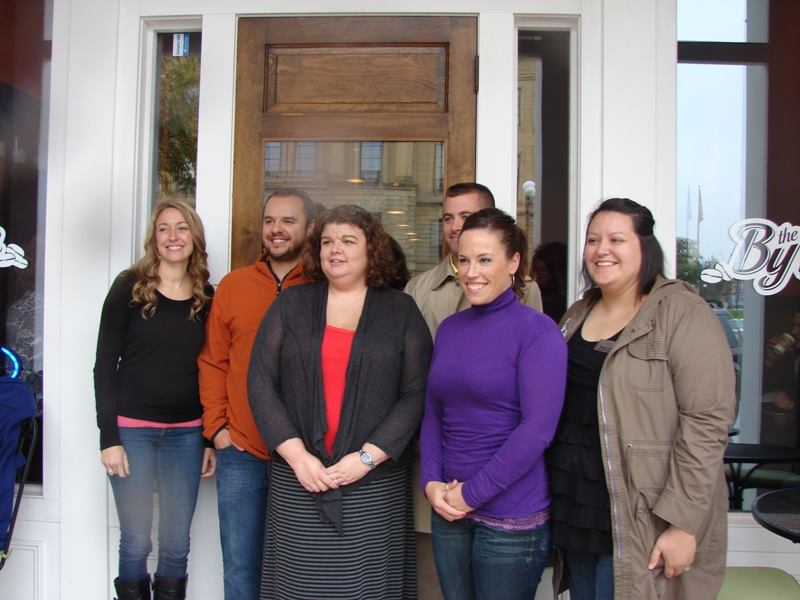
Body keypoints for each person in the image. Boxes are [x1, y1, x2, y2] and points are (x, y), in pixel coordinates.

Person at [547, 198, 736, 600]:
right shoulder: (578, 313)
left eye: (616, 239)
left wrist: (682, 523)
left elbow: (707, 422)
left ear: (645, 247)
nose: (602, 250)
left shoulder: (681, 311)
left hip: (644, 514)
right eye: (593, 240)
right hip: (580, 504)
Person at [247, 204, 433, 598]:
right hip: (299, 480)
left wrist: (366, 458)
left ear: (371, 249)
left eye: (348, 241)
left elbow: (416, 393)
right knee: (299, 586)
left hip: (373, 485)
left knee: (363, 587)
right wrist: (298, 457)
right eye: (328, 241)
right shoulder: (290, 305)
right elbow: (260, 382)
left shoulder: (400, 310)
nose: (336, 249)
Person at [420, 208, 567, 600]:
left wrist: (471, 494)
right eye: (463, 260)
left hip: (510, 518)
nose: (471, 272)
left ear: (514, 263)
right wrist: (431, 483)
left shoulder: (537, 331)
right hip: (449, 510)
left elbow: (537, 430)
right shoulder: (450, 329)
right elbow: (434, 414)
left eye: (485, 260)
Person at [94, 200, 216, 600]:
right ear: (154, 238)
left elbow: (213, 370)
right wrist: (109, 438)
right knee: (135, 540)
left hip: (187, 434)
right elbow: (104, 365)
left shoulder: (207, 297)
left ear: (194, 237)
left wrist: (209, 439)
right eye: (164, 228)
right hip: (132, 433)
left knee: (177, 542)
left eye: (181, 228)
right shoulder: (129, 287)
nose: (173, 236)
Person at [197, 189, 315, 600]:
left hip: (305, 457)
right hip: (242, 452)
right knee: (241, 566)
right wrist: (218, 430)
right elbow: (213, 361)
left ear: (309, 228)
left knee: (301, 569)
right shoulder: (234, 285)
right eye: (269, 221)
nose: (276, 229)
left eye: (288, 221)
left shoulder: (323, 286)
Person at [405, 182, 542, 339]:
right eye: (448, 218)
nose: (455, 227)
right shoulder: (417, 289)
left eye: (465, 217)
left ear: (487, 219)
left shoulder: (526, 289)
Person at [530, 240, 567, 323]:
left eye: (542, 270)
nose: (536, 274)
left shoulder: (552, 302)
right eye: (535, 268)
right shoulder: (536, 294)